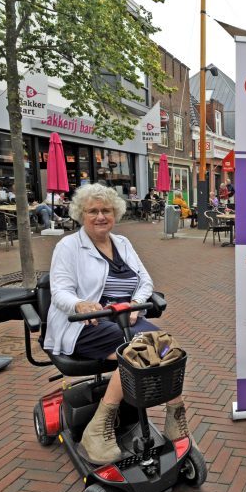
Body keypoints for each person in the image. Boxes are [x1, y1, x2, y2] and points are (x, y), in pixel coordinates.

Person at [43, 183, 192, 464]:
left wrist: (136, 304)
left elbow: (145, 280)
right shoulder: (68, 246)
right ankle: (97, 431)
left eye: (106, 210)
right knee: (138, 355)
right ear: (81, 214)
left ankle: (175, 416)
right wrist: (79, 304)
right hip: (86, 323)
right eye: (93, 211)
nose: (100, 216)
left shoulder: (122, 243)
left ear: (116, 213)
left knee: (167, 350)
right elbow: (59, 290)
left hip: (126, 317)